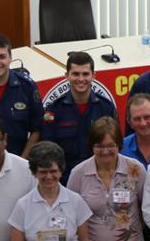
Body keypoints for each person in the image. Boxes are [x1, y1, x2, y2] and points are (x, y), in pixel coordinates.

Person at [42, 50, 120, 182]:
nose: (81, 79)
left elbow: (116, 147)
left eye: (85, 74)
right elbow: (49, 153)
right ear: (67, 75)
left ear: (93, 76)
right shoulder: (53, 111)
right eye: (75, 74)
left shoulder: (106, 108)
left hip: (100, 180)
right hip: (65, 181)